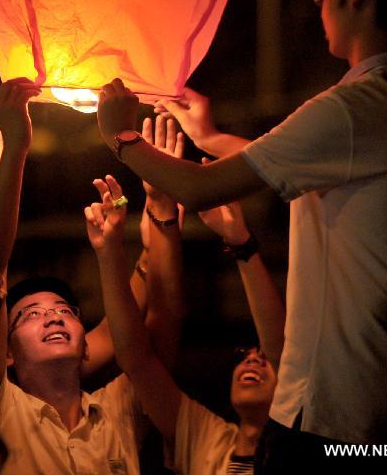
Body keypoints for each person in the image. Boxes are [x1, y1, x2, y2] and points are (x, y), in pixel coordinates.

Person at [93, 0, 387, 464]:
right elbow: (296, 163)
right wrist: (210, 135)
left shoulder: (354, 108)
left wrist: (119, 136)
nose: (319, 7)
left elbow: (204, 189)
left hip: (337, 420)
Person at [0, 79, 184, 474]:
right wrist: (16, 147)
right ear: (6, 354)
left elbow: (161, 319)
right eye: (29, 315)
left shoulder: (121, 409)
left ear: (87, 343)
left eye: (66, 311)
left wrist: (160, 206)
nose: (52, 316)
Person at [87, 117, 286, 475]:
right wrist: (158, 206)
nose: (253, 361)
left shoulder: (312, 439)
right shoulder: (207, 440)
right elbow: (137, 359)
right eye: (245, 354)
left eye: (262, 357)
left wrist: (240, 241)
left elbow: (284, 348)